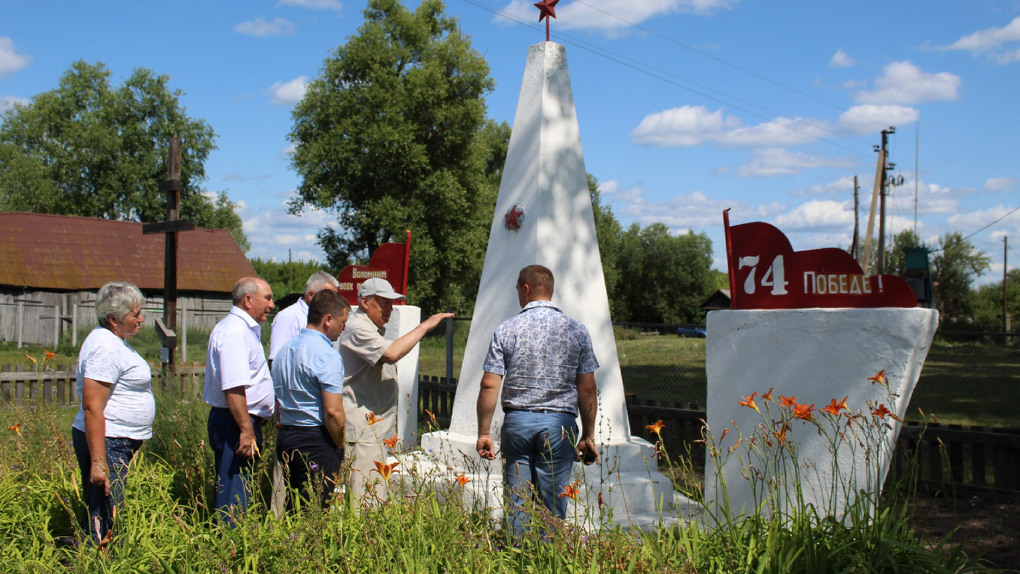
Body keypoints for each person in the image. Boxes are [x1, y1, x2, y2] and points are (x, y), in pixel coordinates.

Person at [475, 265, 600, 536]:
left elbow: (488, 385)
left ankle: (516, 554)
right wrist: (588, 436)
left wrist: (484, 432)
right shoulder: (577, 330)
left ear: (526, 289)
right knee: (553, 500)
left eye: (518, 290)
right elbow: (588, 389)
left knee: (517, 500)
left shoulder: (507, 329)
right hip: (559, 426)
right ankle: (549, 556)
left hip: (518, 423)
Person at [339, 278, 453, 502]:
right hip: (364, 429)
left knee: (373, 494)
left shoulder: (371, 328)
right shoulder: (358, 327)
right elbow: (392, 353)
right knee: (366, 499)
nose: (389, 309)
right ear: (364, 302)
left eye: (392, 304)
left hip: (374, 428)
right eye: (383, 303)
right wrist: (426, 326)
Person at [71, 282, 153, 544]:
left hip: (116, 441)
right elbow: (93, 406)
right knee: (104, 514)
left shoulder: (115, 341)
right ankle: (93, 562)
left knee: (107, 509)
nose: (141, 319)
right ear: (113, 319)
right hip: (108, 442)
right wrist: (99, 462)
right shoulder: (105, 347)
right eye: (135, 314)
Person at [203, 277, 275, 525]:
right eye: (267, 298)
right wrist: (246, 430)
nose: (272, 304)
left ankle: (232, 545)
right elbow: (233, 387)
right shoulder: (235, 332)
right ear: (248, 300)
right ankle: (229, 550)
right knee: (233, 495)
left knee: (238, 489)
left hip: (239, 422)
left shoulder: (242, 330)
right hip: (235, 423)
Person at [272, 290, 350, 508]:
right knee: (316, 511)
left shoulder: (284, 351)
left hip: (287, 435)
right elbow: (333, 412)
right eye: (342, 322)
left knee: (294, 507)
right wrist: (339, 444)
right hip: (314, 440)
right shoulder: (327, 355)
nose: (343, 328)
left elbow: (279, 398)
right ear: (327, 320)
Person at [268, 270, 340, 370]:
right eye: (328, 297)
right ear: (311, 295)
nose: (333, 302)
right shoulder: (288, 317)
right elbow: (277, 362)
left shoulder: (322, 318)